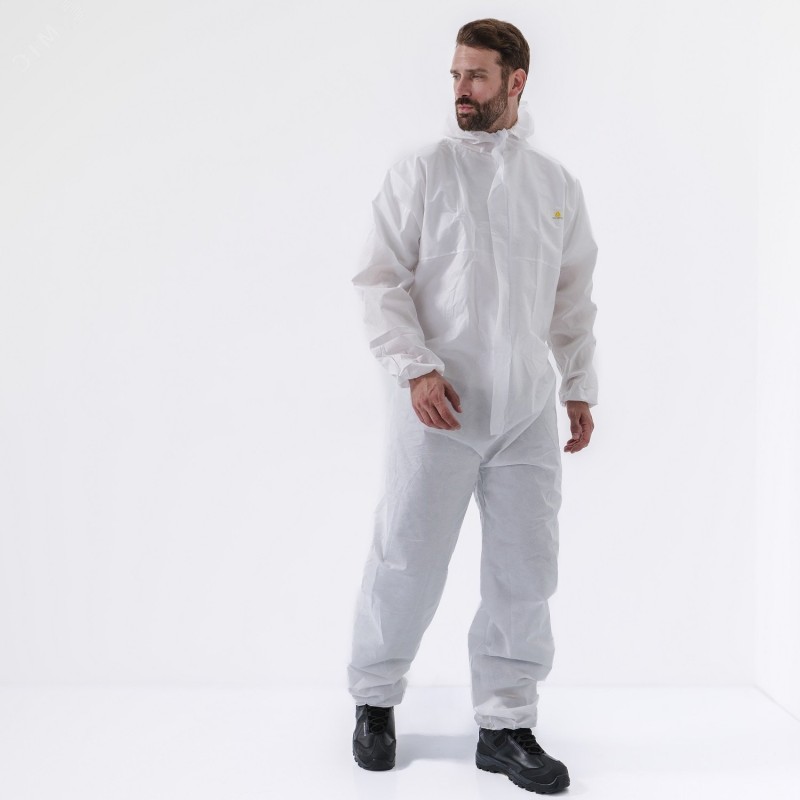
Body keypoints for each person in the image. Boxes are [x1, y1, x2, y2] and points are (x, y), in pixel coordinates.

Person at [347, 18, 598, 795]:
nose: (461, 89)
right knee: (407, 558)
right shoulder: (422, 171)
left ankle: (507, 723)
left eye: (477, 76)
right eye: (455, 75)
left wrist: (578, 385)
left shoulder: (554, 186)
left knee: (526, 570)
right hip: (440, 408)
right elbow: (380, 280)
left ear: (516, 81)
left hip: (524, 409)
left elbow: (572, 298)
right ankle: (375, 699)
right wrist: (416, 370)